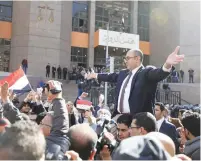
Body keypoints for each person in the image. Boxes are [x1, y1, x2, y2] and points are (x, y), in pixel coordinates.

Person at [87, 46, 184, 117]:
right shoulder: (123, 74)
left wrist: (167, 65)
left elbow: (159, 73)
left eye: (127, 58)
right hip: (119, 117)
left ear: (137, 59)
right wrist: (95, 75)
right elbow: (110, 77)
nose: (125, 61)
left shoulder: (146, 72)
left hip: (138, 121)